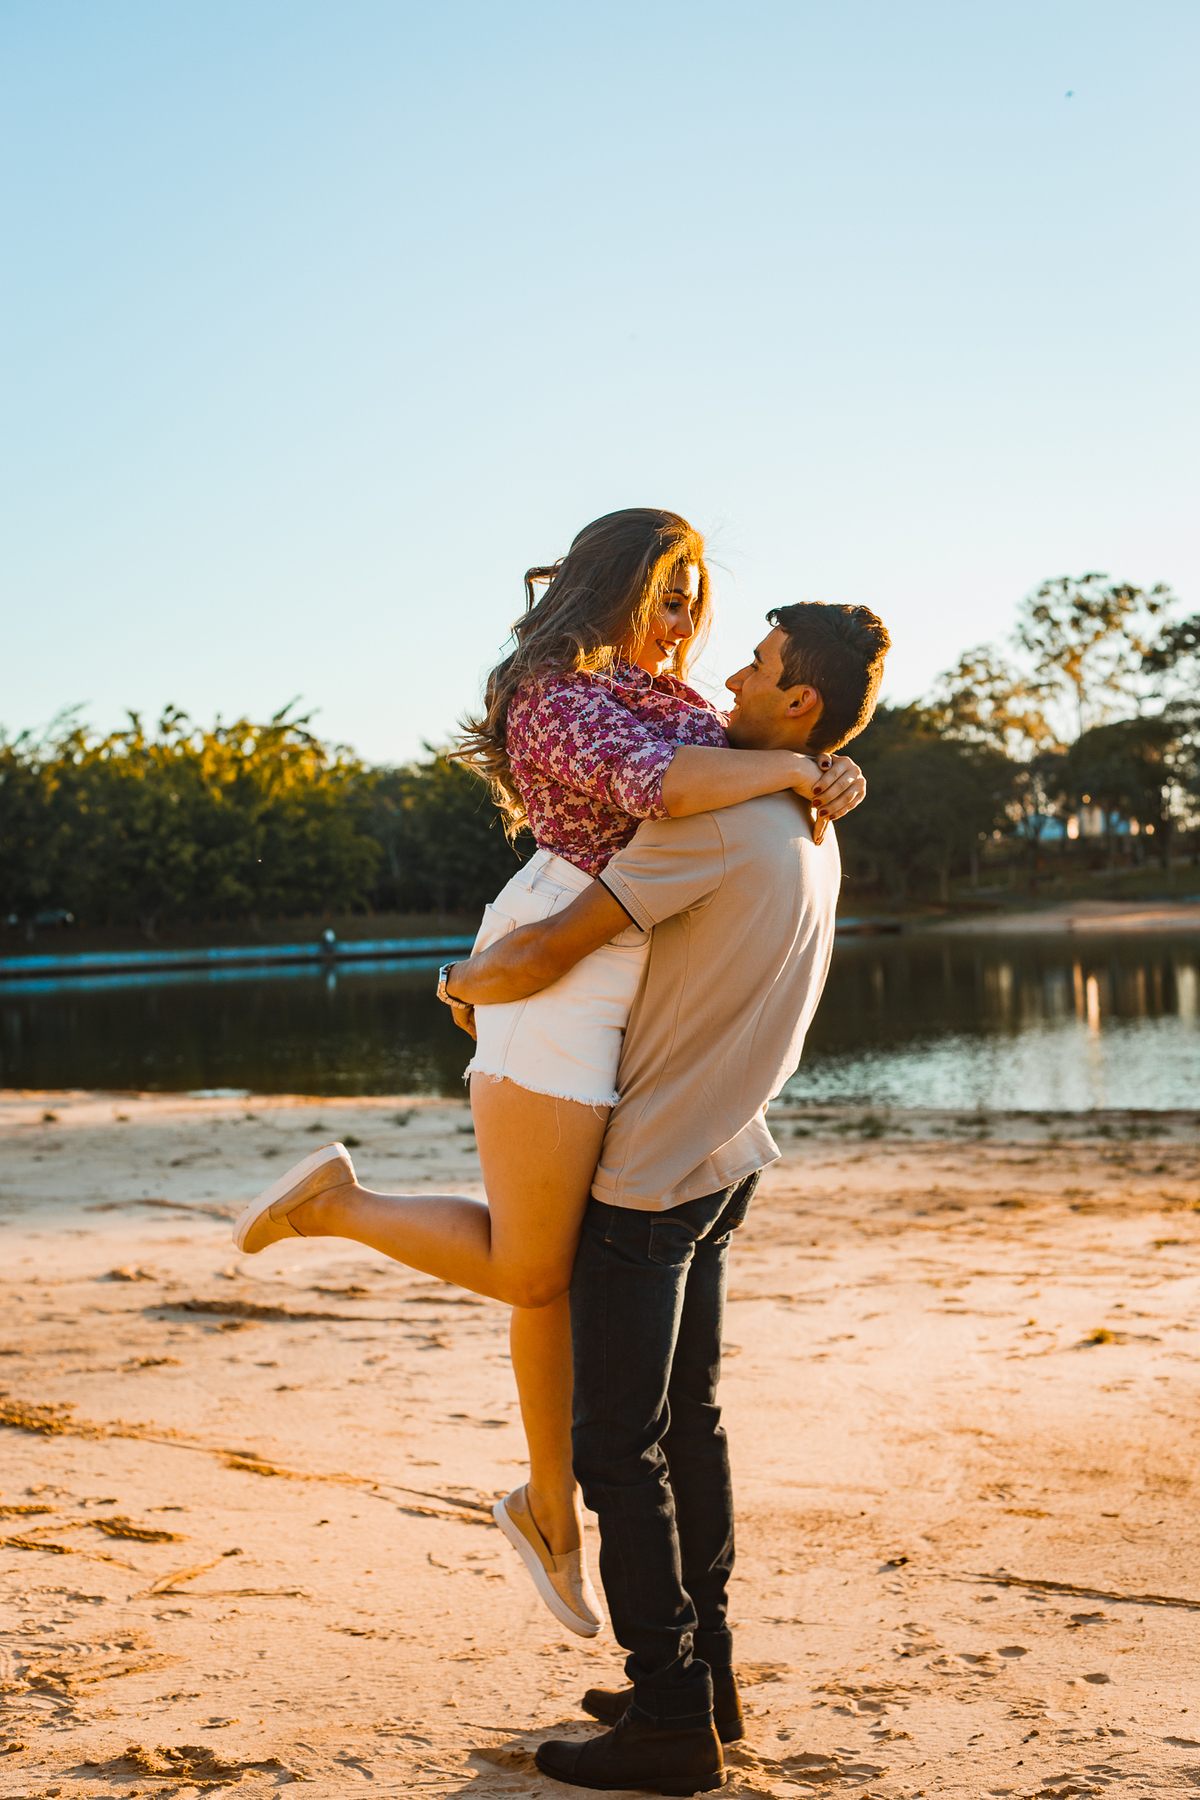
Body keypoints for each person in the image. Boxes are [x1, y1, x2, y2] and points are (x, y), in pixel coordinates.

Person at [231, 508, 866, 1640]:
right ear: (610, 587)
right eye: (666, 590)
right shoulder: (556, 698)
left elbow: (750, 754)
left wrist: (829, 770)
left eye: (696, 595)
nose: (686, 616)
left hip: (631, 954)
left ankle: (548, 1509)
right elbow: (665, 790)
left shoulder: (678, 699)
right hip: (562, 957)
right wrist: (793, 765)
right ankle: (340, 1206)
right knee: (538, 1271)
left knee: (568, 1265)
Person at [441, 602, 891, 1795]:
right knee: (688, 1425)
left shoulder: (721, 818)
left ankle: (671, 1720)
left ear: (798, 702)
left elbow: (547, 952)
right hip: (727, 1155)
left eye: (759, 663)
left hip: (648, 1177)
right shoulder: (804, 814)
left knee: (614, 1447)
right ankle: (709, 1679)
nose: (731, 672)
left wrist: (458, 979)